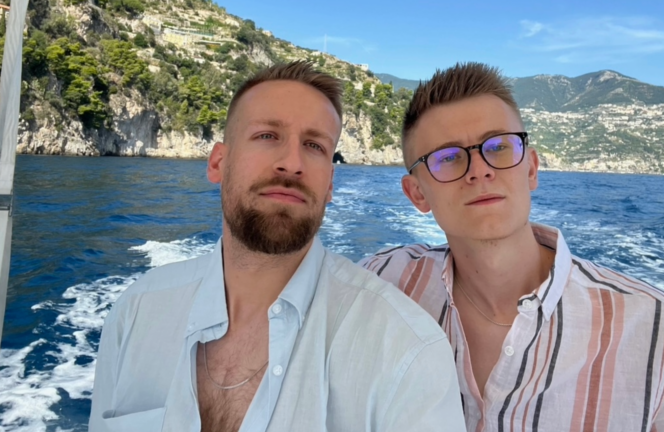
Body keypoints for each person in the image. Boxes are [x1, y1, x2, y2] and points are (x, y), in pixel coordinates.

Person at [359, 62, 664, 432]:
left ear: (530, 169)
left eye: (497, 146)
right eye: (447, 158)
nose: (479, 169)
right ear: (416, 194)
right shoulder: (378, 284)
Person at [89, 61, 466, 432]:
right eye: (268, 136)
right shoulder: (136, 313)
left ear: (330, 183)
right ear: (219, 162)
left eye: (315, 145)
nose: (291, 163)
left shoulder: (405, 350)